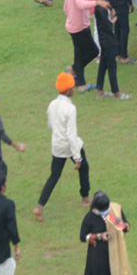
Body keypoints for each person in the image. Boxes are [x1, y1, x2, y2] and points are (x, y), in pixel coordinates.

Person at [34, 71, 90, 222]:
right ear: (68, 90)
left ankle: (39, 207)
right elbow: (72, 135)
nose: (74, 89)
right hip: (69, 145)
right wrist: (77, 156)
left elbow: (51, 125)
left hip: (57, 146)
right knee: (84, 167)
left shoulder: (52, 104)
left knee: (54, 176)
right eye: (72, 87)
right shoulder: (70, 109)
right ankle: (85, 198)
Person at [80, 191, 132, 275]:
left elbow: (125, 225)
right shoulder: (90, 217)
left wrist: (125, 226)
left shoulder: (115, 210)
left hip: (116, 252)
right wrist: (99, 236)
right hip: (98, 257)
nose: (106, 210)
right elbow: (83, 236)